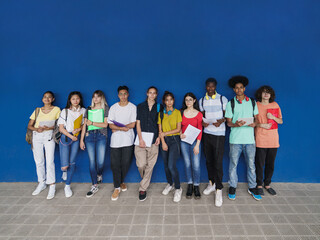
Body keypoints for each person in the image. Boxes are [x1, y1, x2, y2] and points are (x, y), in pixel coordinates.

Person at [225, 76, 262, 201]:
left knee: (251, 165)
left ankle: (252, 187)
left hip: (249, 140)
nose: (239, 90)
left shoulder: (252, 102)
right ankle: (232, 186)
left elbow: (257, 118)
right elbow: (228, 123)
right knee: (233, 164)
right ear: (234, 90)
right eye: (237, 88)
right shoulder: (231, 104)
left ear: (244, 88)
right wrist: (236, 124)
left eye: (241, 87)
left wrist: (255, 123)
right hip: (235, 140)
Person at [199, 78, 228, 207]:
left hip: (219, 134)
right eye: (208, 87)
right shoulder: (202, 100)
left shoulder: (223, 99)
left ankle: (219, 189)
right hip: (207, 133)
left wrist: (221, 121)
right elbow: (201, 115)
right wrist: (203, 122)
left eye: (212, 86)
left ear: (215, 86)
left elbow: (227, 115)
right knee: (209, 160)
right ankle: (211, 184)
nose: (210, 89)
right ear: (206, 87)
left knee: (217, 161)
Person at [28, 91, 61, 199]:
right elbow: (30, 125)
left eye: (49, 97)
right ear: (42, 99)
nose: (47, 99)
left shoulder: (56, 109)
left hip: (49, 135)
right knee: (39, 161)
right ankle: (41, 183)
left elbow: (59, 124)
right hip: (37, 135)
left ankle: (52, 185)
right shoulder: (37, 110)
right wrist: (37, 128)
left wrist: (49, 128)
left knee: (50, 160)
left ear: (53, 99)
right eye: (45, 97)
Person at [108, 86, 136, 201]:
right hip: (115, 141)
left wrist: (119, 127)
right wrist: (123, 128)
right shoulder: (113, 108)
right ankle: (117, 187)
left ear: (128, 94)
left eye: (125, 94)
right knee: (115, 164)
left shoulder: (133, 107)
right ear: (118, 95)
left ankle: (121, 181)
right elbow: (110, 125)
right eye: (121, 94)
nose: (123, 96)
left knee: (126, 163)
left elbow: (133, 124)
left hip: (128, 139)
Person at [254, 86, 283, 196]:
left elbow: (281, 121)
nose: (266, 94)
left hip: (273, 139)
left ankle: (267, 184)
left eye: (268, 92)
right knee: (260, 163)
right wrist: (261, 124)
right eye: (264, 92)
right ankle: (259, 185)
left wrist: (273, 117)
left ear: (271, 95)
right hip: (260, 138)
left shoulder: (275, 105)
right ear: (260, 94)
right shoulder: (256, 105)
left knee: (270, 163)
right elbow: (252, 122)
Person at [80, 90, 109, 198]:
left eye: (98, 97)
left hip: (101, 135)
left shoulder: (105, 108)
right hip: (89, 136)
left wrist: (92, 123)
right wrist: (81, 140)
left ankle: (99, 174)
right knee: (92, 161)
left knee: (100, 162)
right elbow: (84, 126)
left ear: (102, 98)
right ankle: (94, 185)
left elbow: (105, 125)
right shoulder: (88, 109)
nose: (96, 99)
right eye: (94, 97)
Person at [135, 86, 161, 201]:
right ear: (147, 93)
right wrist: (140, 139)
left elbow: (161, 124)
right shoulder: (140, 106)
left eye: (154, 93)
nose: (152, 95)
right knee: (141, 164)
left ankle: (143, 188)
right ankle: (145, 180)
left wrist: (159, 137)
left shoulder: (160, 107)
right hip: (141, 139)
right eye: (150, 93)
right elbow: (138, 123)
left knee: (150, 165)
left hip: (154, 140)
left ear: (156, 95)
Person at [58, 91, 86, 198]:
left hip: (77, 137)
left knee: (72, 162)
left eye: (77, 99)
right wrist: (71, 136)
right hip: (66, 137)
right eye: (73, 99)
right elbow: (61, 128)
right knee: (65, 166)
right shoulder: (64, 111)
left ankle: (67, 185)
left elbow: (84, 125)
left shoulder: (83, 110)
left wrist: (79, 129)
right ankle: (65, 170)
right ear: (70, 100)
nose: (75, 101)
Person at [158, 91, 183, 203]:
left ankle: (178, 188)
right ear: (164, 101)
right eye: (167, 100)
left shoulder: (177, 112)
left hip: (174, 140)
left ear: (173, 101)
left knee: (171, 165)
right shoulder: (161, 114)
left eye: (171, 99)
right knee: (166, 166)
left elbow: (178, 129)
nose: (169, 102)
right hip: (165, 141)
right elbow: (160, 130)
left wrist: (165, 134)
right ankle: (170, 184)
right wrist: (163, 142)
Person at [180, 92, 203, 199]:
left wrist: (197, 145)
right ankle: (190, 184)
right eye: (186, 100)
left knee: (196, 165)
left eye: (190, 99)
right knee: (187, 164)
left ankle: (196, 186)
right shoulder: (181, 113)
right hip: (184, 142)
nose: (188, 102)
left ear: (194, 101)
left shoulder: (199, 114)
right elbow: (179, 126)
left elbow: (200, 130)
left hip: (195, 142)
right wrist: (180, 133)